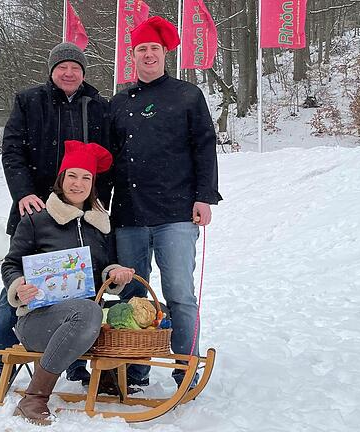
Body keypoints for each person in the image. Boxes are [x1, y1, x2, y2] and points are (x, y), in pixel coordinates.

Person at [0, 42, 111, 396]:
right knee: (19, 287)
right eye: (62, 67)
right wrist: (24, 193)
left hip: (80, 211)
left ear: (84, 73)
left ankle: (74, 362)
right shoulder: (29, 101)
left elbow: (106, 160)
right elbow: (12, 151)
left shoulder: (98, 106)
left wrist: (97, 204)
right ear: (51, 70)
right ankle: (1, 365)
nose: (69, 73)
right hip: (36, 209)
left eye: (76, 67)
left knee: (80, 285)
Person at [108, 16, 223, 388]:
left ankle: (184, 368)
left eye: (154, 49)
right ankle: (133, 367)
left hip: (176, 213)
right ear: (133, 57)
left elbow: (204, 147)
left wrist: (204, 197)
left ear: (164, 53)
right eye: (141, 49)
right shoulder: (118, 102)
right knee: (130, 294)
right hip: (128, 215)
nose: (148, 55)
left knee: (179, 294)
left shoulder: (187, 95)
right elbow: (108, 158)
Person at [1, 140, 135, 425]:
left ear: (93, 182)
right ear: (61, 179)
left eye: (86, 177)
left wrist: (115, 274)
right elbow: (10, 264)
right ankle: (34, 398)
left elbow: (104, 268)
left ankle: (107, 377)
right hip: (36, 321)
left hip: (84, 318)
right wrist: (18, 287)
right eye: (72, 176)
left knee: (140, 309)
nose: (79, 183)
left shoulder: (99, 224)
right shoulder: (37, 219)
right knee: (88, 312)